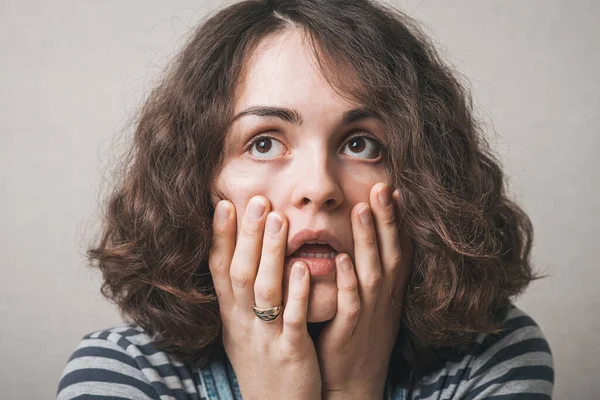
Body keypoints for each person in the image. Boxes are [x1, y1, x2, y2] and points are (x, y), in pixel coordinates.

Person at [56, 0, 554, 398]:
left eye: (361, 144)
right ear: (196, 182)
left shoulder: (494, 357)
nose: (318, 188)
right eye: (264, 142)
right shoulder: (123, 372)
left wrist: (352, 391)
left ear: (427, 179)